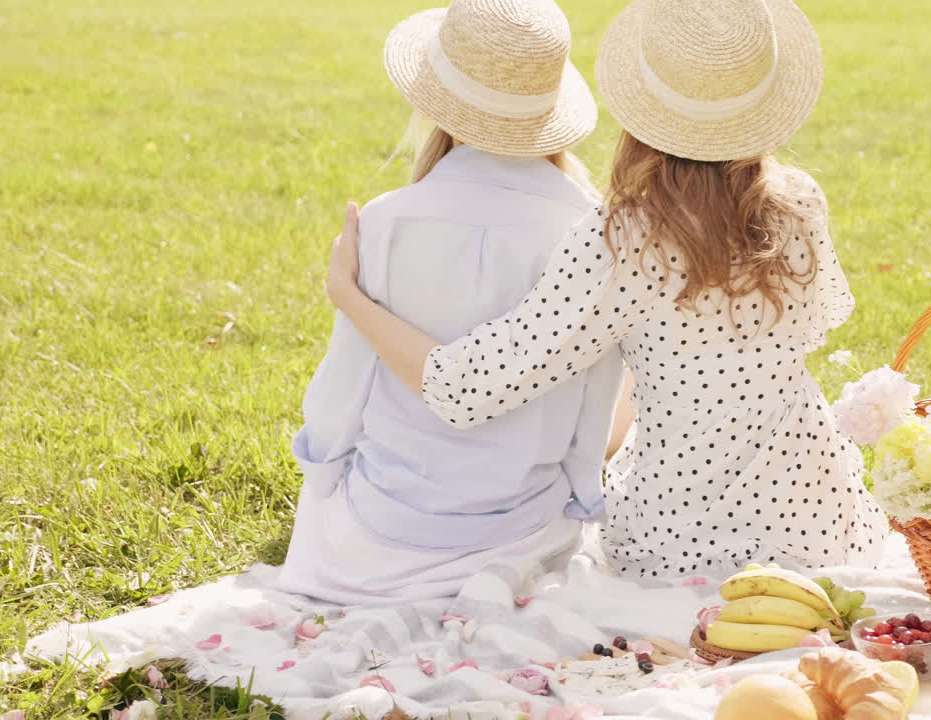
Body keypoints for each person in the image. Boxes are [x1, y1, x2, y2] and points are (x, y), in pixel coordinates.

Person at [326, 0, 889, 580]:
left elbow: (465, 387)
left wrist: (349, 294)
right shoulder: (798, 201)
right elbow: (810, 328)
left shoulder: (622, 238)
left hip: (678, 537)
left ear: (639, 105)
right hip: (817, 517)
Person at [276, 0, 623, 605]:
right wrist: (584, 493)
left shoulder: (385, 221)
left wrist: (323, 476)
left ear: (437, 104)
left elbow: (345, 388)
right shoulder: (588, 229)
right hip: (521, 524)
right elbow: (595, 395)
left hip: (382, 532)